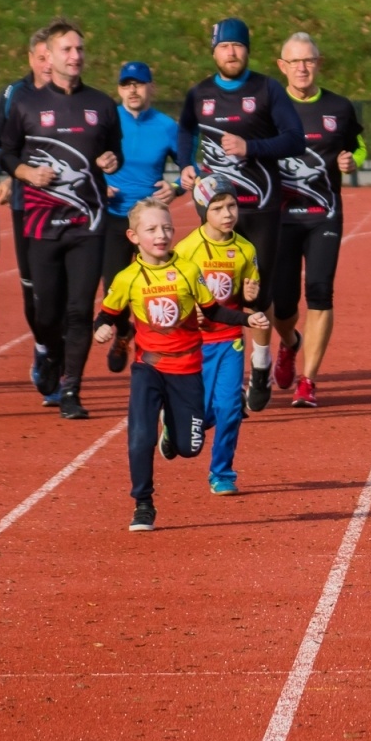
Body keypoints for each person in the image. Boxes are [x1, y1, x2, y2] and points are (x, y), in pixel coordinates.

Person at [96, 198, 269, 530]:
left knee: (189, 448)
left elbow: (216, 311)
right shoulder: (127, 278)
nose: (161, 235)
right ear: (134, 237)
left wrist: (248, 318)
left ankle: (173, 430)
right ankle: (143, 504)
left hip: (188, 367)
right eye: (151, 230)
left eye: (167, 228)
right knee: (140, 435)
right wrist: (102, 328)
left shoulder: (189, 271)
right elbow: (107, 315)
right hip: (149, 366)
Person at [177, 17, 306, 411]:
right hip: (215, 210)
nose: (231, 52)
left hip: (261, 206)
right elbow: (185, 131)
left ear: (247, 50)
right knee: (215, 292)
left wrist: (251, 148)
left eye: (237, 46)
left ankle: (261, 365)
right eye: (224, 46)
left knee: (257, 294)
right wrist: (184, 163)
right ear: (213, 51)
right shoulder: (199, 93)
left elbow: (295, 139)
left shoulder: (266, 89)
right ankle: (220, 378)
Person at [0, 20, 124, 420]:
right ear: (48, 57)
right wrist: (25, 174)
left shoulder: (102, 104)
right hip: (41, 224)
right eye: (67, 50)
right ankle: (50, 353)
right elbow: (6, 153)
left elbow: (113, 152)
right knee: (46, 311)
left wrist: (111, 161)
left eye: (80, 50)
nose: (75, 56)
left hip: (88, 223)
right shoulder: (25, 103)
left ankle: (71, 389)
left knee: (78, 308)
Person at [272, 32, 364, 409]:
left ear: (318, 63)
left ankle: (308, 380)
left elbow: (357, 145)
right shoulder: (270, 108)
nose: (302, 68)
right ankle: (291, 342)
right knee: (281, 304)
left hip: (324, 213)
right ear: (282, 67)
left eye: (308, 60)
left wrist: (352, 160)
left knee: (321, 290)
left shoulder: (339, 107)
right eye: (294, 62)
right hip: (280, 218)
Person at [172, 175, 263, 495]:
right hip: (195, 342)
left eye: (232, 206)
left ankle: (222, 472)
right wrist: (189, 310)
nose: (228, 214)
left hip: (229, 339)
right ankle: (176, 425)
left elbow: (247, 294)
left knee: (229, 408)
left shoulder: (245, 248)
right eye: (218, 208)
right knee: (203, 412)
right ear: (202, 211)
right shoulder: (186, 249)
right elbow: (173, 293)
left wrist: (251, 295)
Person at [0, 27, 50, 398]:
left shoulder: (79, 97)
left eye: (52, 56)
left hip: (73, 207)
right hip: (27, 204)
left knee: (69, 291)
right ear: (31, 59)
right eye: (41, 57)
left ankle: (63, 371)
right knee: (33, 288)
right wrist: (13, 171)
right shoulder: (14, 95)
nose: (48, 65)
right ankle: (42, 348)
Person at [104, 61, 180, 373]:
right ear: (119, 89)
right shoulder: (107, 121)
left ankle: (156, 348)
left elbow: (194, 168)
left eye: (139, 84)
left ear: (152, 87)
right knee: (114, 286)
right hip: (113, 216)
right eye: (126, 84)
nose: (132, 90)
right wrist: (98, 183)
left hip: (150, 222)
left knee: (156, 288)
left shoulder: (166, 126)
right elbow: (84, 159)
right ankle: (124, 332)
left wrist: (175, 187)